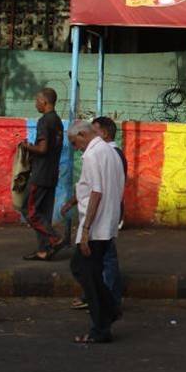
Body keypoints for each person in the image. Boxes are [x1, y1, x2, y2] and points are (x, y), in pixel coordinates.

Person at [65, 120, 125, 344]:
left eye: (74, 142)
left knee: (84, 271)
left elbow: (96, 192)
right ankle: (109, 310)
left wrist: (86, 229)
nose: (75, 147)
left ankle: (102, 323)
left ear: (82, 134)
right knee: (87, 270)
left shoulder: (92, 155)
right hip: (107, 222)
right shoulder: (111, 152)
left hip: (96, 225)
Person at [18, 88, 65, 261]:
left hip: (40, 174)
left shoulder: (45, 121)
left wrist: (26, 146)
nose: (35, 103)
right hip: (52, 174)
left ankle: (55, 238)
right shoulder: (58, 121)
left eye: (37, 100)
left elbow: (43, 149)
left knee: (29, 211)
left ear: (44, 102)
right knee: (43, 214)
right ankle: (44, 250)